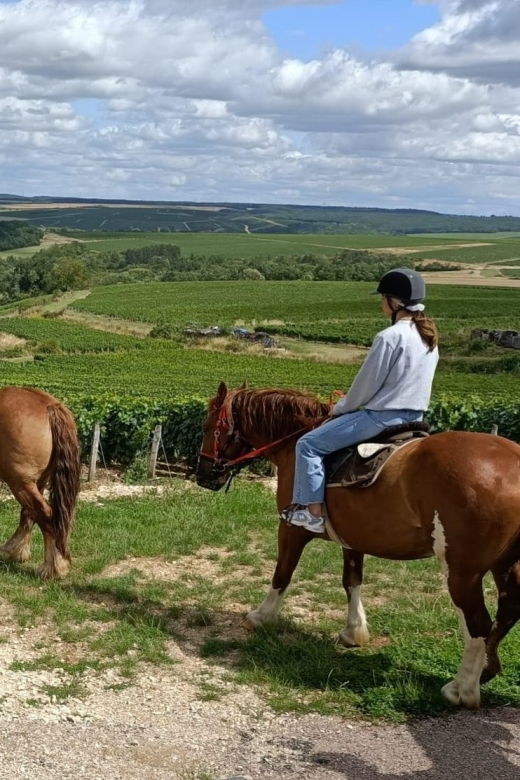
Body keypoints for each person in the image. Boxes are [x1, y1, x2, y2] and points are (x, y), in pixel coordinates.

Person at [282, 267, 439, 534]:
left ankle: (313, 513)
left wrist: (340, 408)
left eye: (383, 298)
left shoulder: (389, 337)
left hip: (381, 418)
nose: (380, 304)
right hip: (416, 418)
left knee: (308, 444)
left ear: (394, 302)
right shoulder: (428, 338)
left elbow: (365, 387)